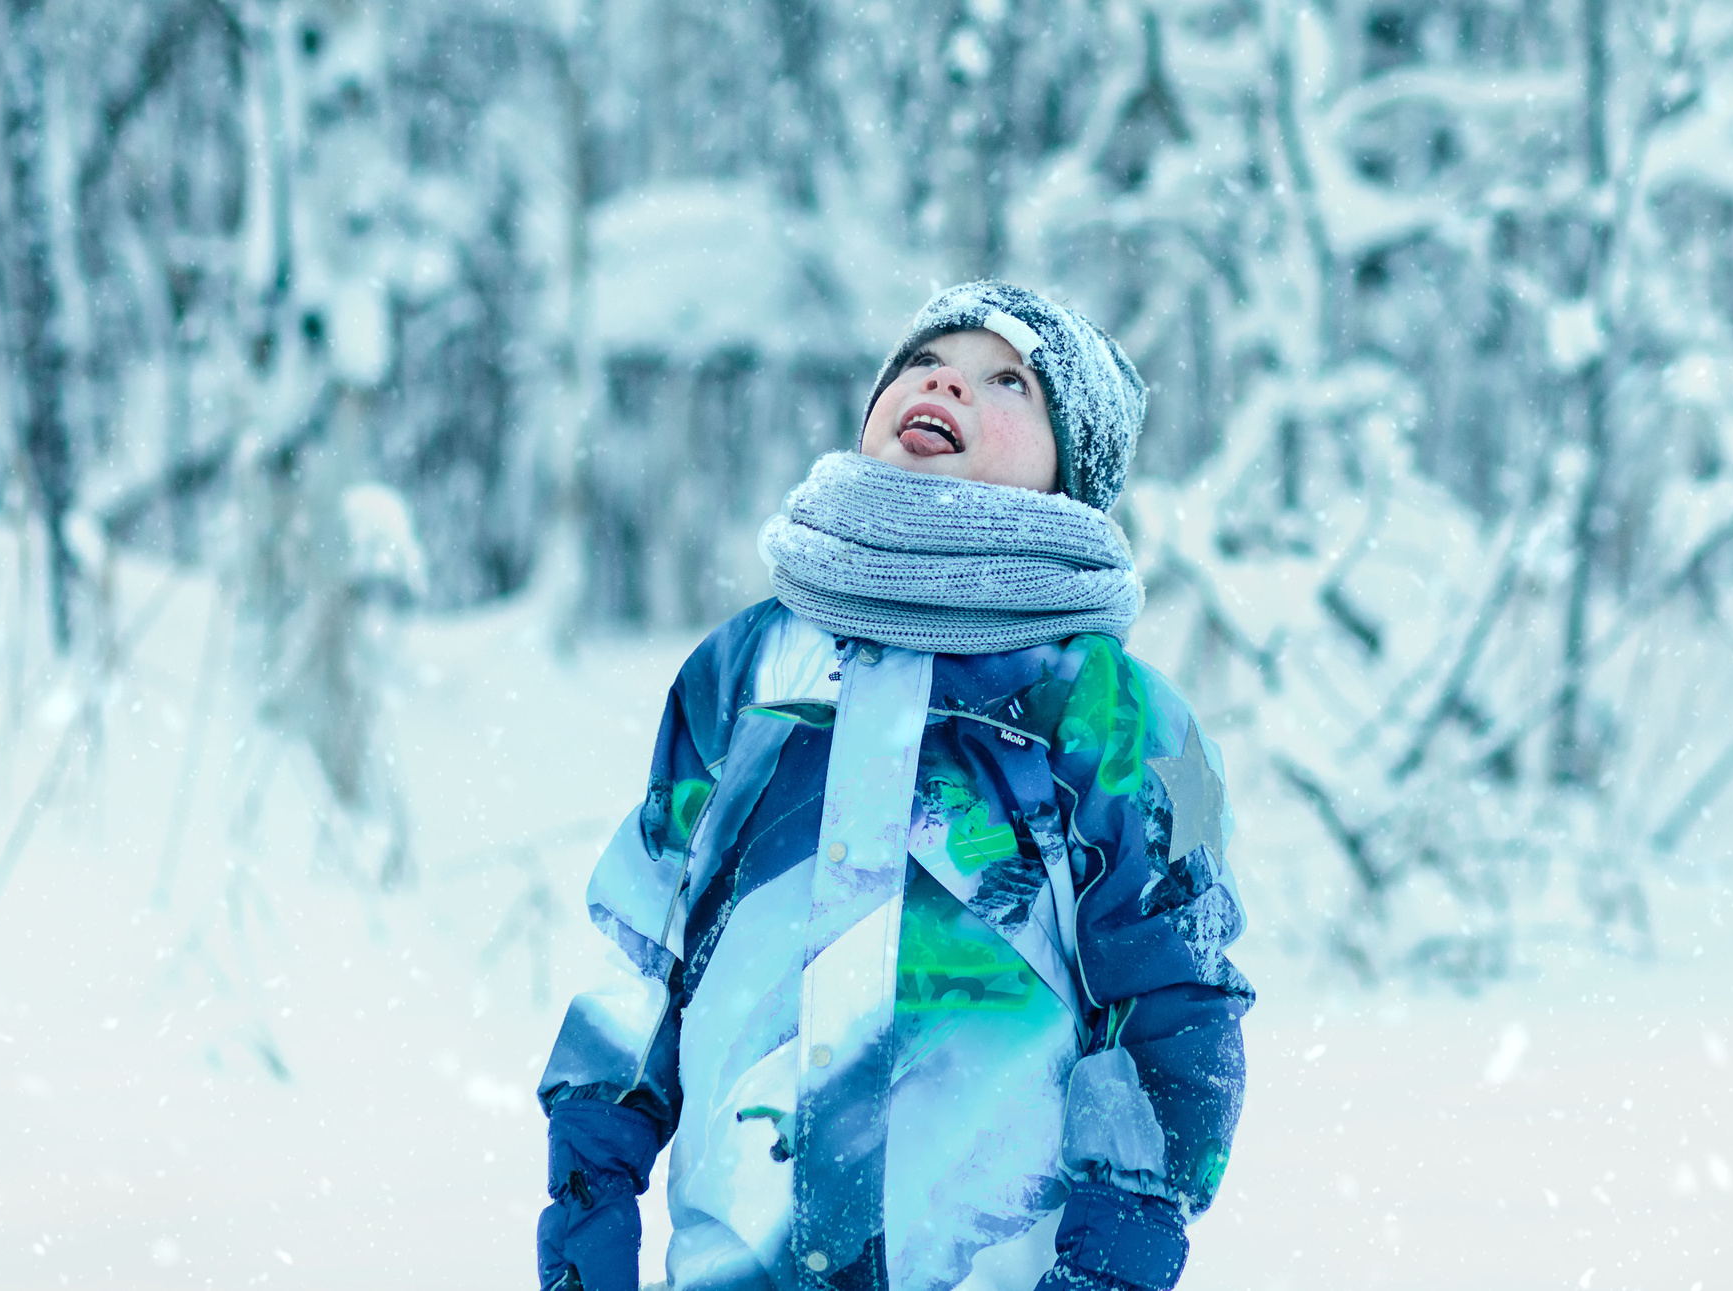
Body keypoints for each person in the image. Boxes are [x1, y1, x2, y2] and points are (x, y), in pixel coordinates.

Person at [536, 281, 1250, 1291]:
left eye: (1009, 381)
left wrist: (1117, 1256)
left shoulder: (1130, 715)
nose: (948, 382)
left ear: (1069, 472)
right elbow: (641, 958)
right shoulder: (743, 667)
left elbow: (1183, 1003)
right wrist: (589, 1205)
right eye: (925, 363)